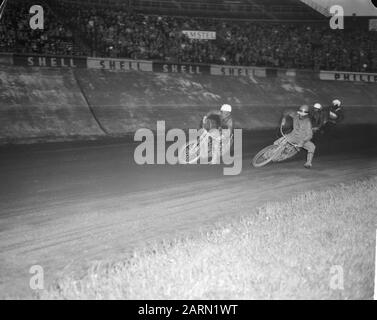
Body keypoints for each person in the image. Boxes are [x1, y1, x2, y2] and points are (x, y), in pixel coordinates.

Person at [280, 105, 316, 169]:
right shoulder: (295, 115)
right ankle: (269, 154)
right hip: (293, 136)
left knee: (312, 147)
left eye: (304, 112)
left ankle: (308, 163)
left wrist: (302, 142)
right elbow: (287, 111)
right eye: (301, 112)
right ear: (299, 111)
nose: (301, 114)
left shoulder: (307, 122)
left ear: (306, 113)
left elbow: (310, 135)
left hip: (301, 139)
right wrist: (284, 119)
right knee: (280, 141)